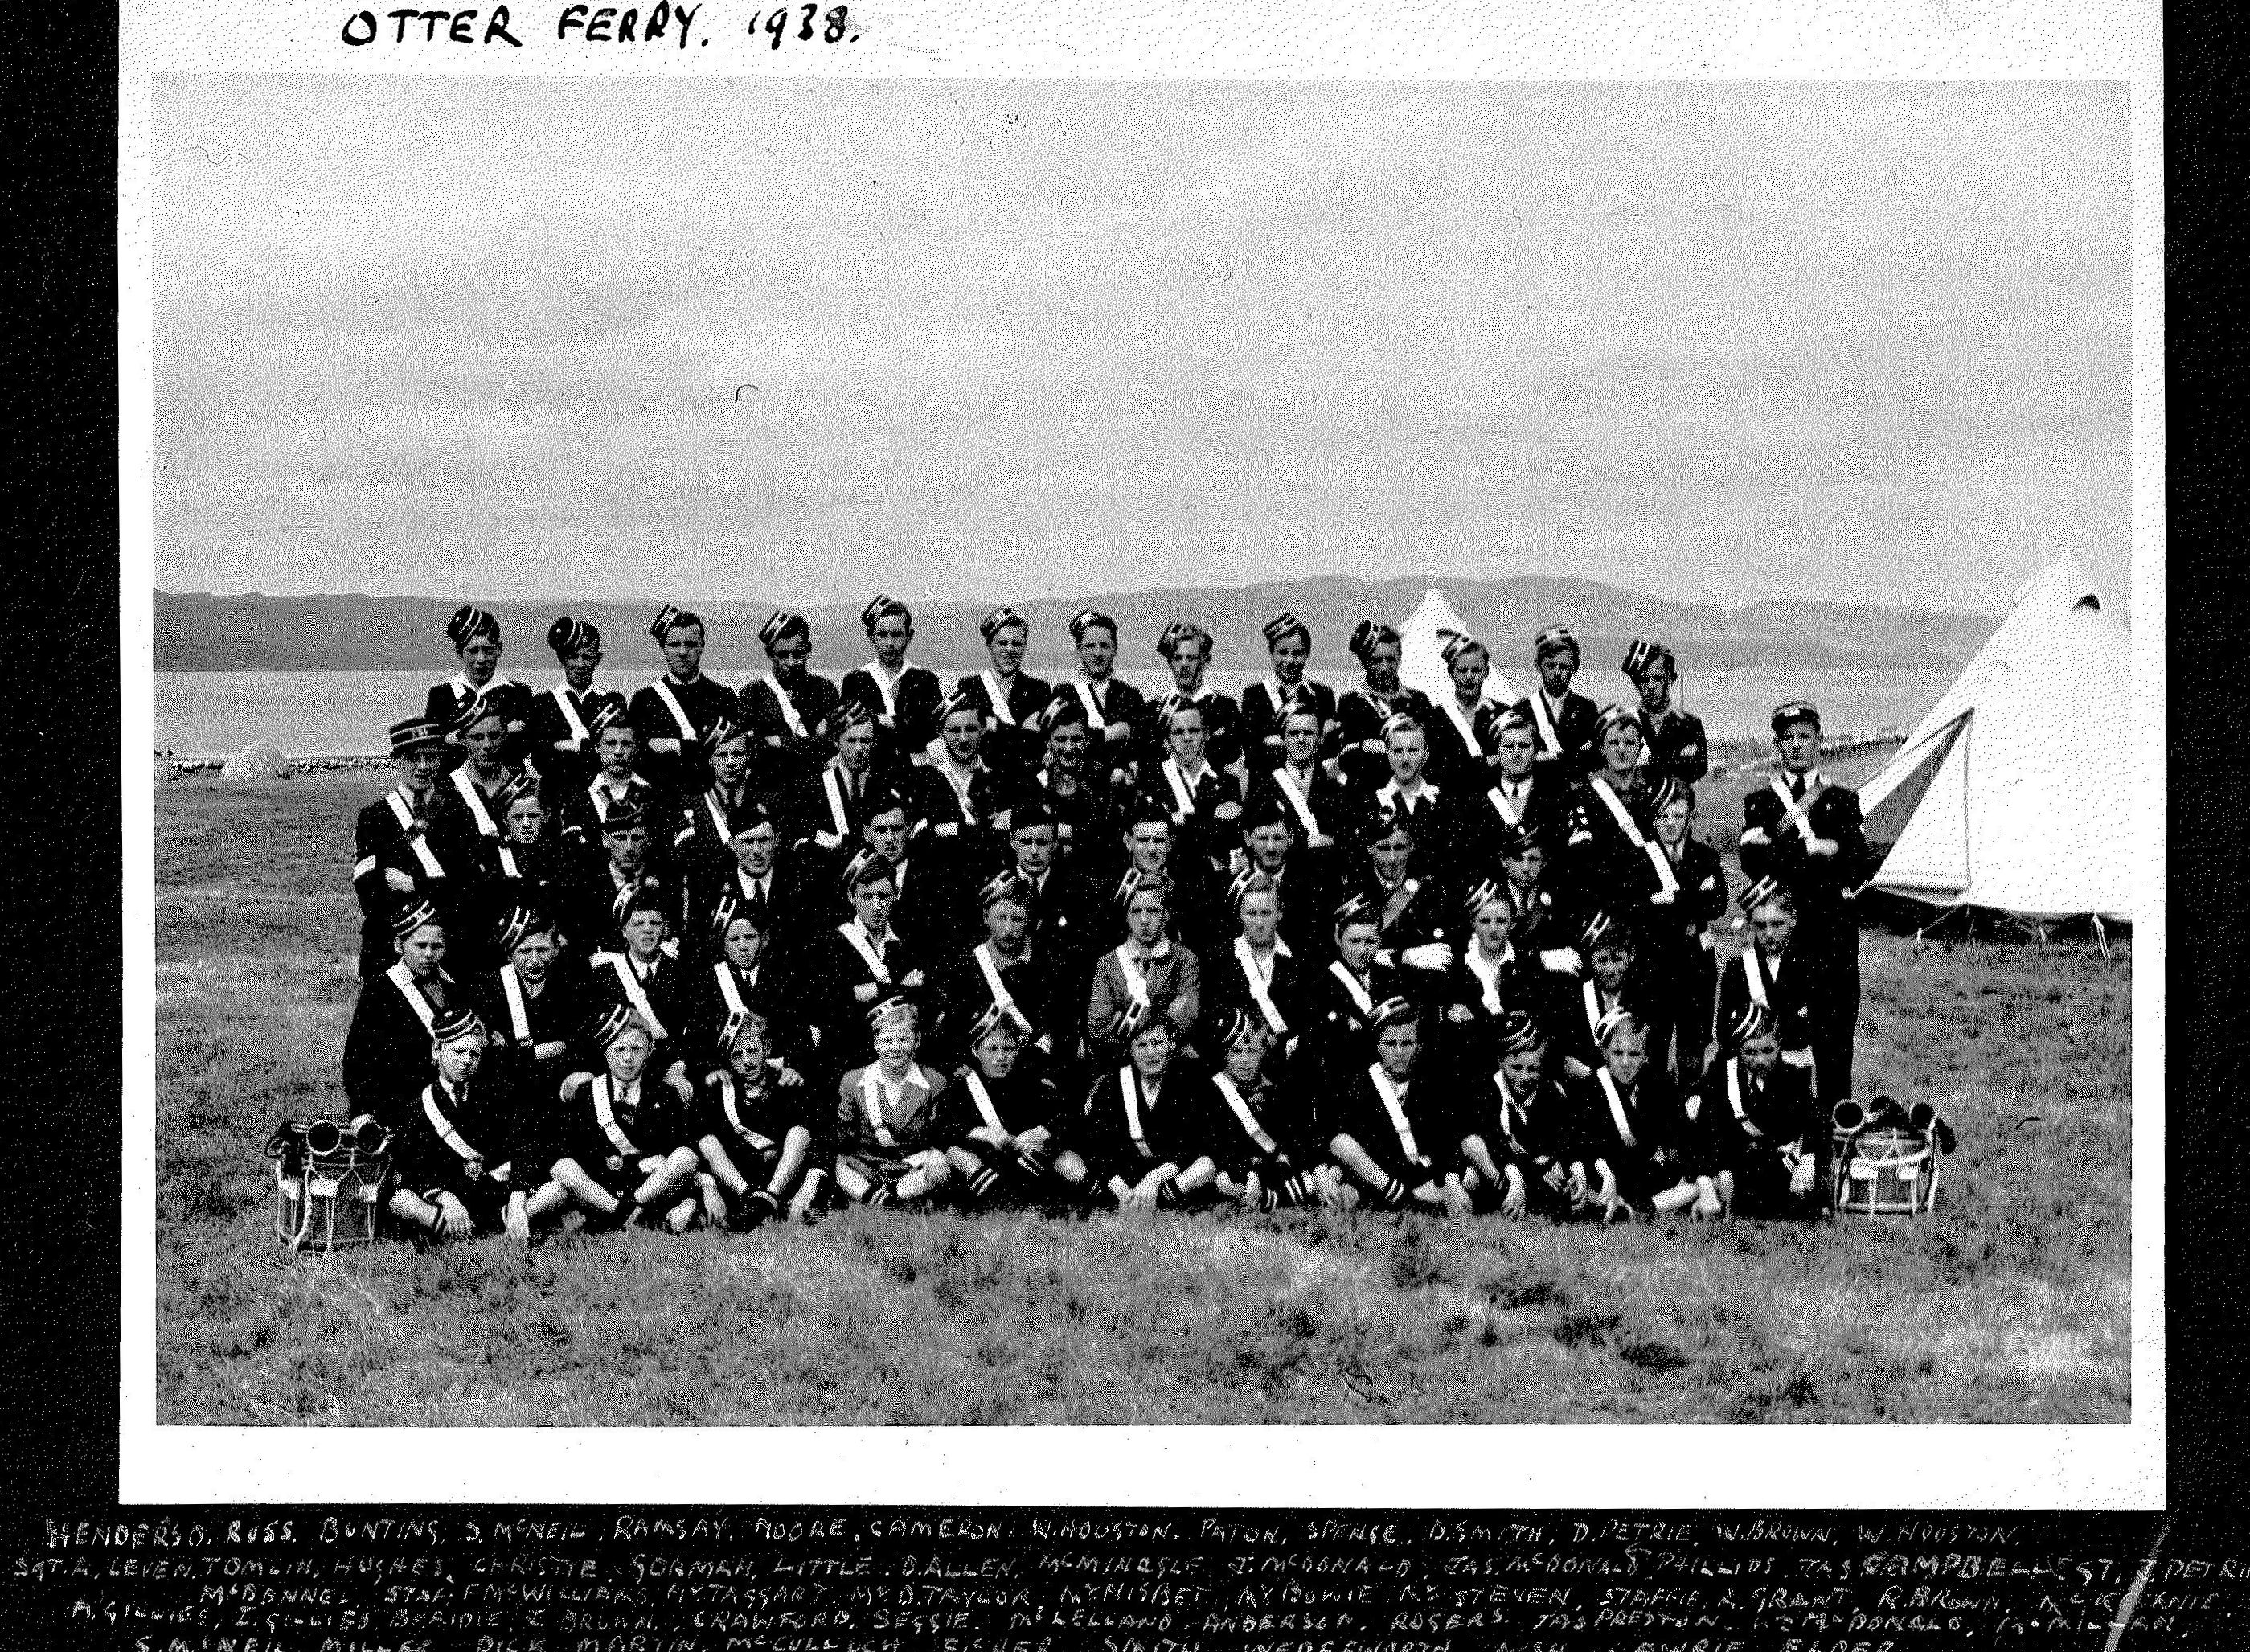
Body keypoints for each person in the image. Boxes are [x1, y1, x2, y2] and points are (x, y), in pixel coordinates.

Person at [1737, 700, 1874, 1109]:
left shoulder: (1842, 800)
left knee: (1834, 1040)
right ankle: (1789, 1134)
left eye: (1804, 738)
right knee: (1784, 1036)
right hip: (1784, 936)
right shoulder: (1760, 802)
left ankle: (1836, 1132)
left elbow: (1857, 863)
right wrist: (1817, 852)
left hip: (1831, 934)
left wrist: (1821, 848)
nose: (1796, 746)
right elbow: (1752, 863)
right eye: (1787, 739)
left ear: (1818, 741)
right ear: (1778, 745)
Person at [388, 1009, 564, 1243]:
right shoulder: (419, 1105)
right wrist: (445, 1197)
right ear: (437, 1051)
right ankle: (479, 1227)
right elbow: (413, 1166)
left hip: (494, 1192)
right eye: (458, 1051)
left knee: (556, 1192)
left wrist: (517, 1198)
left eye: (475, 1054)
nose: (466, 1060)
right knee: (401, 1201)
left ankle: (477, 1228)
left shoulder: (497, 1092)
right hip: (451, 1196)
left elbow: (524, 1146)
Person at [549, 1006, 707, 1232]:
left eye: (636, 1049)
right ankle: (623, 1213)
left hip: (648, 1186)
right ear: (605, 1052)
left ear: (649, 1052)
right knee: (563, 1167)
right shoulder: (588, 1093)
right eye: (619, 1050)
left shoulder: (664, 1093)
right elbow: (576, 1150)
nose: (628, 1058)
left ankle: (624, 1213)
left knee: (686, 1157)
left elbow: (677, 1148)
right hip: (604, 1185)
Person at [1622, 777, 1728, 1084]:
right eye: (1664, 816)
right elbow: (1640, 913)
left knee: (1693, 1051)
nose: (1671, 824)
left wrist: (1671, 902)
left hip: (1696, 971)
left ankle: (1691, 1111)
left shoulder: (1705, 857)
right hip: (1653, 969)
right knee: (1652, 1051)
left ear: (1690, 816)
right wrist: (1692, 903)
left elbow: (1718, 904)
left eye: (1678, 816)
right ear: (1654, 817)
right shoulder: (1640, 861)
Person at [1326, 998, 1471, 1215]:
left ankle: (1415, 1196)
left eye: (1407, 1043)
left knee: (1467, 1173)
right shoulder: (1363, 1086)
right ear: (1377, 1046)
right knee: (1343, 1146)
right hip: (1384, 1172)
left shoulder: (1430, 1081)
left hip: (1427, 1169)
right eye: (1390, 1044)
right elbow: (1366, 1146)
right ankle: (1406, 1197)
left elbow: (1445, 1137)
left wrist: (1449, 1178)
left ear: (1419, 1045)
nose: (1400, 1052)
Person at [939, 1005, 1092, 1209]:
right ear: (975, 1050)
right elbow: (941, 1128)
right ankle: (1006, 1208)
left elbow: (1068, 1115)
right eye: (992, 1049)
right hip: (988, 1170)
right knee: (956, 1153)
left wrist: (1041, 1132)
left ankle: (1101, 1205)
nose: (1001, 1057)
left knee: (1067, 1160)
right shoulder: (964, 1086)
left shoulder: (1028, 1079)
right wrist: (980, 1133)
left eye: (1008, 1049)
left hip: (1031, 1163)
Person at [352, 715, 471, 977]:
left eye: (429, 757)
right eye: (412, 758)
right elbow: (369, 887)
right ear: (396, 761)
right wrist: (439, 885)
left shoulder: (460, 812)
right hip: (392, 940)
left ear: (440, 759)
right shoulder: (375, 817)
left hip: (449, 940)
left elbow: (468, 883)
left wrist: (413, 883)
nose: (421, 766)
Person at [1684, 1002, 1822, 1220]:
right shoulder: (1726, 1076)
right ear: (1737, 1050)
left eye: (1768, 1050)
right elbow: (1705, 1132)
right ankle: (1653, 1205)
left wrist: (1807, 1160)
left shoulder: (1792, 1077)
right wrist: (1706, 1183)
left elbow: (1815, 1119)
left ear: (1779, 1045)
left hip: (1779, 1164)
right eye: (1749, 1052)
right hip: (1736, 1160)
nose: (1760, 1060)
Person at [932, 871, 1072, 1079]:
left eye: (1017, 919)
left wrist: (1052, 1074)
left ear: (1030, 921)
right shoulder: (965, 966)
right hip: (981, 1072)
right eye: (1001, 917)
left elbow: (1064, 1028)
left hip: (1039, 1072)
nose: (1008, 929)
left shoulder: (1049, 964)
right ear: (986, 917)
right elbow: (952, 1031)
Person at [464, 905, 584, 1142]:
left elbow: (578, 1044)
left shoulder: (569, 987)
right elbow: (492, 1053)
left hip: (560, 1084)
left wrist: (518, 1051)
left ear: (555, 951)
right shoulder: (492, 988)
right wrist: (547, 1049)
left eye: (542, 950)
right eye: (525, 951)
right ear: (510, 954)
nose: (534, 960)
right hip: (510, 1090)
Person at [1561, 1008, 1693, 1222]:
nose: (1625, 1063)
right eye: (1617, 1053)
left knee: (1691, 1184)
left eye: (1634, 1054)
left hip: (1647, 1174)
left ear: (1647, 1057)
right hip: (1606, 1171)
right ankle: (1637, 1208)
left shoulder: (1661, 1088)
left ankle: (1634, 1209)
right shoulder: (1589, 1089)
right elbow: (1578, 1142)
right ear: (1604, 1053)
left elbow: (1678, 1137)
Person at [695, 1008, 822, 1228]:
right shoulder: (720, 1090)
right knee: (708, 1141)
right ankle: (750, 1197)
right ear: (726, 1061)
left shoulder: (786, 1083)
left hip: (783, 1175)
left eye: (752, 1051)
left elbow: (814, 1140)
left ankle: (765, 1202)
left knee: (799, 1133)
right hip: (740, 1178)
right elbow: (703, 1144)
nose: (747, 1061)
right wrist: (710, 1187)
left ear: (767, 1049)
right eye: (737, 1055)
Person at [809, 852, 932, 1076]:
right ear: (852, 895)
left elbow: (928, 1003)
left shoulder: (911, 943)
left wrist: (871, 992)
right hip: (853, 1062)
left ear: (895, 895)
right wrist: (898, 988)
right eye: (867, 896)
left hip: (904, 1060)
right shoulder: (831, 944)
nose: (876, 906)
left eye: (883, 896)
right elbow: (825, 1009)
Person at [1081, 1011, 1218, 1211]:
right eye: (1142, 1045)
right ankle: (1128, 1202)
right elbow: (1099, 1145)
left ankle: (1161, 1202)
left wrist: (1155, 1179)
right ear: (1131, 1050)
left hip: (1171, 1173)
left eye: (1157, 1043)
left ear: (1170, 1045)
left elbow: (1196, 1141)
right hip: (1127, 1174)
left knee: (1206, 1165)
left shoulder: (1188, 1081)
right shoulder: (1113, 1084)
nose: (1151, 1053)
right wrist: (1121, 1190)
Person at [832, 997, 957, 1209]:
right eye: (887, 1041)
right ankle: (884, 1198)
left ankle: (891, 1198)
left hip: (911, 1163)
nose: (895, 1048)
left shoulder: (934, 1080)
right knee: (842, 1165)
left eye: (902, 1040)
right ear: (875, 1044)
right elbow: (845, 1133)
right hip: (867, 1163)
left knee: (939, 1162)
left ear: (916, 1041)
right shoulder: (854, 1080)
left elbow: (940, 1132)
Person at [341, 899, 457, 1124]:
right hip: (399, 1104)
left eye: (437, 947)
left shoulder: (454, 986)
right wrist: (363, 1110)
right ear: (399, 946)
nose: (429, 955)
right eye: (420, 946)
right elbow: (359, 1057)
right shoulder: (381, 991)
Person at [1203, 1008, 1328, 1210]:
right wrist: (1250, 1171)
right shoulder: (1217, 1090)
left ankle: (1271, 1197)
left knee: (1316, 1176)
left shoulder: (1274, 1090)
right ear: (1223, 1055)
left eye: (1251, 1051)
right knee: (1224, 1182)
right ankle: (1276, 1197)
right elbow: (1221, 1145)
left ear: (1263, 1053)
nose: (1244, 1060)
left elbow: (1293, 1138)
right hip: (1237, 1167)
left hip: (1270, 1167)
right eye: (1235, 1052)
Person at [1456, 1010, 1574, 1219]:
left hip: (1533, 1166)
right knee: (1473, 1171)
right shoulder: (1489, 1090)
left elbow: (1556, 1140)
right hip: (1500, 1167)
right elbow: (1491, 1139)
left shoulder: (1550, 1093)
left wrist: (1549, 1162)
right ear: (1501, 1061)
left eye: (1533, 1069)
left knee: (1557, 1179)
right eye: (1517, 1067)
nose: (1524, 1076)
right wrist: (1516, 1173)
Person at [1435, 879, 1551, 1091]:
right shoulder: (1454, 964)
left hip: (1519, 1072)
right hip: (1466, 1073)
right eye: (1485, 921)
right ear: (1473, 922)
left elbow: (1535, 1022)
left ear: (1513, 924)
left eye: (1502, 921)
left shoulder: (1527, 966)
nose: (1494, 929)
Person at [690, 897, 814, 1084]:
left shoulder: (782, 977)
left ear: (763, 939)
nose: (743, 946)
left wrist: (795, 1065)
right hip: (730, 1073)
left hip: (776, 1074)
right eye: (734, 939)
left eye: (750, 937)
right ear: (723, 944)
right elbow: (698, 1034)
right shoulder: (711, 980)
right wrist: (711, 1068)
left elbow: (798, 1030)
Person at [912, 687, 1015, 907]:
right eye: (954, 730)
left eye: (971, 729)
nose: (963, 738)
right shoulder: (926, 779)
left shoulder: (1000, 777)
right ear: (941, 734)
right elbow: (924, 836)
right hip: (943, 888)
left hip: (992, 884)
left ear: (982, 730)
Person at [629, 605, 742, 806]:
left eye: (690, 644)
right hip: (665, 803)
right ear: (663, 647)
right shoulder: (644, 701)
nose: (682, 652)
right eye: (674, 645)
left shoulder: (724, 697)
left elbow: (737, 755)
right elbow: (639, 761)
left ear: (702, 646)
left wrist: (671, 746)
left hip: (717, 802)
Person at [1716, 877, 1822, 1092]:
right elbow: (1725, 1028)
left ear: (1793, 919)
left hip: (1795, 1067)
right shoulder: (1739, 968)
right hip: (1749, 1070)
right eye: (1761, 926)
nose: (1770, 934)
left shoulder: (1812, 967)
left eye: (1777, 923)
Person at [584, 888, 697, 1088]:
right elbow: (596, 1038)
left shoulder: (685, 974)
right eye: (638, 924)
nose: (648, 930)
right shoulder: (604, 977)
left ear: (665, 929)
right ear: (624, 931)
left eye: (655, 923)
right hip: (621, 1071)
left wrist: (681, 1065)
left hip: (673, 1071)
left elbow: (695, 1031)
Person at [1084, 879, 1201, 1068]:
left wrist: (1122, 1017)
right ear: (1127, 917)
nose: (1145, 921)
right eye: (1136, 911)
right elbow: (1098, 1026)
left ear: (1166, 915)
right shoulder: (1108, 963)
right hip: (1120, 1062)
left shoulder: (1185, 959)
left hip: (1171, 1061)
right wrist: (1164, 1012)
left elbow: (1187, 1018)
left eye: (1153, 911)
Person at [1201, 872, 1309, 1075]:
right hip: (1238, 1065)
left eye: (1266, 913)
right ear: (1240, 915)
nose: (1259, 923)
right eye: (1251, 913)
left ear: (1279, 914)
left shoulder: (1299, 959)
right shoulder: (1220, 960)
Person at [1348, 807, 1457, 1002]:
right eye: (1383, 848)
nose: (1392, 859)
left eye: (1399, 848)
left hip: (1424, 992)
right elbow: (1351, 954)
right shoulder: (1352, 890)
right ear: (1370, 848)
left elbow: (1444, 952)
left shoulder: (1430, 889)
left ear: (1412, 847)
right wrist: (1404, 956)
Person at [1558, 703, 1656, 914]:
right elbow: (1582, 863)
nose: (1622, 750)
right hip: (1606, 905)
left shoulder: (1655, 792)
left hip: (1652, 902)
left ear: (1640, 748)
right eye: (1613, 742)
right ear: (1601, 747)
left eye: (1629, 743)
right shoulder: (1584, 796)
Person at [1303, 893, 1402, 1097]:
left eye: (1370, 942)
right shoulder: (1321, 985)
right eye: (1355, 941)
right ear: (1338, 937)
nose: (1362, 950)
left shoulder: (1390, 979)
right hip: (1344, 1087)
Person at [1244, 705, 1350, 892]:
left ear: (1318, 739)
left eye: (1308, 733)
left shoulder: (1334, 786)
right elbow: (1256, 840)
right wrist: (1308, 843)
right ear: (1283, 739)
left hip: (1324, 887)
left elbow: (1345, 839)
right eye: (1294, 733)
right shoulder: (1265, 785)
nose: (1301, 739)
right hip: (1279, 887)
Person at [1136, 699, 1243, 879]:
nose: (1187, 738)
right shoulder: (1152, 781)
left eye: (1194, 730)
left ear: (1206, 734)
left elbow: (1234, 838)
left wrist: (1182, 822)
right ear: (1166, 741)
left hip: (1219, 880)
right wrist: (1212, 819)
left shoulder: (1227, 780)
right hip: (1170, 880)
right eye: (1178, 732)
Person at [737, 609, 842, 792]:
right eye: (783, 655)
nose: (792, 663)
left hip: (821, 787)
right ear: (770, 654)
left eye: (798, 654)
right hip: (773, 789)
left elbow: (834, 744)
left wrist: (781, 741)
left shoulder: (825, 690)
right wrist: (813, 739)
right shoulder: (752, 695)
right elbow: (751, 750)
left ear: (808, 650)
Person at [840, 595, 943, 773]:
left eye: (896, 635)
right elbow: (849, 730)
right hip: (871, 773)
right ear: (871, 636)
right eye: (882, 634)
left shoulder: (925, 681)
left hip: (917, 772)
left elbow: (930, 728)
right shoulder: (855, 681)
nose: (889, 643)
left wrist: (878, 720)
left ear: (908, 636)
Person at [423, 605, 533, 769]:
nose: (481, 659)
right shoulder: (441, 696)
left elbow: (524, 747)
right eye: (473, 651)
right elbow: (433, 750)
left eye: (488, 650)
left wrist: (457, 738)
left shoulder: (519, 694)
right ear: (460, 652)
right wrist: (505, 732)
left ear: (499, 649)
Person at [1333, 621, 1436, 793]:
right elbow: (1347, 756)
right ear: (1364, 661)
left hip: (1414, 790)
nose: (1385, 667)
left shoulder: (1419, 701)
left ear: (1400, 657)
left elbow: (1432, 752)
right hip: (1368, 791)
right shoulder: (1352, 703)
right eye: (1376, 660)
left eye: (1390, 659)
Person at [669, 719, 773, 889]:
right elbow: (683, 860)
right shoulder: (691, 805)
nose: (731, 762)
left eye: (737, 755)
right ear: (709, 760)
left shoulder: (764, 802)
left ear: (747, 758)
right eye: (722, 755)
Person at [562, 802, 674, 959]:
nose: (629, 847)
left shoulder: (667, 881)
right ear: (605, 840)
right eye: (620, 838)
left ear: (648, 840)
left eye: (637, 838)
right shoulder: (583, 884)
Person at [476, 777, 572, 958]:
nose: (526, 824)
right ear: (505, 820)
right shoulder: (494, 860)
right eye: (518, 817)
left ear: (546, 816)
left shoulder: (561, 857)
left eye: (533, 816)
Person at [1027, 697, 1124, 876]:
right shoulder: (1037, 780)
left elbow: (1106, 833)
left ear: (1087, 740)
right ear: (1049, 743)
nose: (1069, 748)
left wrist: (1062, 830)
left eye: (1076, 739)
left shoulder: (1102, 778)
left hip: (1093, 873)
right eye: (1061, 739)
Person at [527, 616, 621, 799]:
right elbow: (541, 760)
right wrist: (592, 748)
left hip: (603, 797)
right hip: (559, 798)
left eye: (587, 657)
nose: (580, 664)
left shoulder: (612, 702)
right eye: (572, 656)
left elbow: (619, 754)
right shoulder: (543, 704)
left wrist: (571, 746)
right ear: (562, 659)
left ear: (598, 659)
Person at [1552, 911, 1653, 1082]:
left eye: (1617, 960)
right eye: (1602, 960)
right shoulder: (1573, 998)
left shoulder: (1644, 1000)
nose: (1610, 970)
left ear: (1630, 956)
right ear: (1590, 959)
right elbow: (1565, 1059)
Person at [783, 698, 884, 869]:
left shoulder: (888, 779)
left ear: (874, 742)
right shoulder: (815, 784)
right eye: (851, 741)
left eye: (865, 741)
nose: (859, 750)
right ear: (836, 741)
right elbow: (799, 837)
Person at [1229, 796, 1331, 963]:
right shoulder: (1234, 886)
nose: (1270, 848)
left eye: (1278, 838)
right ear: (1248, 838)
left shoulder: (1310, 886)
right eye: (1263, 838)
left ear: (1290, 838)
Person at [953, 606, 1051, 780]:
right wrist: (1022, 732)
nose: (1009, 650)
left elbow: (1037, 744)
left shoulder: (1039, 689)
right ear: (990, 645)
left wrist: (995, 727)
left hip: (1028, 780)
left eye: (1016, 643)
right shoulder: (969, 688)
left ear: (1025, 646)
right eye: (1002, 643)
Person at [1361, 713, 1465, 873]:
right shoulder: (1372, 801)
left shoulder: (1444, 800)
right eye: (1398, 751)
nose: (1405, 759)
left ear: (1426, 754)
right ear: (1387, 754)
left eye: (1413, 750)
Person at [1054, 609, 1146, 786]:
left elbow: (1140, 748)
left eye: (1104, 646)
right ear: (1079, 650)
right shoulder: (1064, 694)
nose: (1097, 654)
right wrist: (1111, 734)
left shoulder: (1131, 696)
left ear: (1115, 649)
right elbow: (1063, 746)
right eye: (1090, 646)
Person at [1238, 612, 1337, 771]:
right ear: (1271, 654)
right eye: (1283, 652)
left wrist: (1273, 742)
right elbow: (1252, 754)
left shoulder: (1322, 694)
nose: (1290, 661)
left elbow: (1330, 751)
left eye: (1297, 653)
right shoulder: (1255, 695)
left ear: (1307, 655)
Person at [560, 703, 662, 855]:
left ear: (636, 748)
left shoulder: (653, 794)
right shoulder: (578, 797)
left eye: (626, 744)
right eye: (611, 743)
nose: (618, 752)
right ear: (597, 747)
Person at [433, 695, 526, 859]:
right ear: (463, 740)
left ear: (506, 735)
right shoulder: (446, 791)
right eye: (477, 737)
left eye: (495, 736)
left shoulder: (524, 784)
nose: (487, 745)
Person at [1144, 621, 1242, 776]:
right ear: (1170, 662)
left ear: (1204, 660)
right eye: (1177, 658)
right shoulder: (1154, 711)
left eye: (1191, 658)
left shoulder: (1225, 709)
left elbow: (1232, 760)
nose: (1184, 664)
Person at [1423, 631, 1508, 790]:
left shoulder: (1503, 714)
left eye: (1476, 670)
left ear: (1486, 672)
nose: (1469, 677)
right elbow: (1431, 771)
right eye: (1462, 670)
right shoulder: (1435, 718)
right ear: (1451, 673)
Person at [1510, 625, 1600, 776]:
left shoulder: (1586, 708)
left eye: (1564, 667)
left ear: (1575, 667)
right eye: (1551, 666)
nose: (1557, 673)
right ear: (1538, 666)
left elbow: (1593, 756)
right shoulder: (1523, 710)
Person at [1621, 641, 1708, 792]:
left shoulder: (1689, 724)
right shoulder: (1626, 722)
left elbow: (1697, 769)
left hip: (1674, 805)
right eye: (1644, 679)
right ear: (1636, 683)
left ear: (1671, 678)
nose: (1651, 686)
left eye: (1658, 678)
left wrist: (1650, 763)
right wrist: (1677, 758)